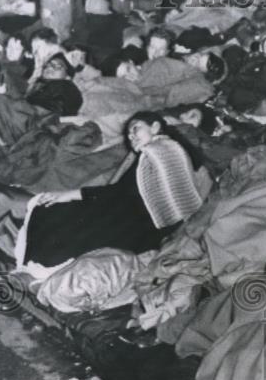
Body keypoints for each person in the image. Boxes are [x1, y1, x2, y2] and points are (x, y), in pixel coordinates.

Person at [20, 111, 204, 271]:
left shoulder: (157, 152)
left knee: (51, 215)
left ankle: (31, 269)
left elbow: (120, 194)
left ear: (155, 127)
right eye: (129, 135)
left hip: (140, 229)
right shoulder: (170, 149)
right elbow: (126, 196)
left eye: (135, 128)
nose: (132, 136)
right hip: (148, 230)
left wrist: (68, 195)